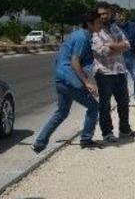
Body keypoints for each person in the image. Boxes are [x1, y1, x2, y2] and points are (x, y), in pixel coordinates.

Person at [33, 11, 103, 153]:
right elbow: (75, 62)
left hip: (61, 77)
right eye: (98, 22)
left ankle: (40, 143)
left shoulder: (80, 35)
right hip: (69, 79)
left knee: (62, 112)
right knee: (94, 107)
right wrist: (87, 82)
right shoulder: (82, 37)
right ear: (89, 24)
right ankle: (86, 139)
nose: (101, 25)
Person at [91, 3, 135, 143]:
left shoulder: (115, 27)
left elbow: (127, 45)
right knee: (105, 105)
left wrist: (112, 45)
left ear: (110, 14)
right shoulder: (95, 31)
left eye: (106, 13)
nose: (104, 16)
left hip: (120, 70)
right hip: (104, 73)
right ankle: (107, 132)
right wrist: (118, 46)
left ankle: (124, 129)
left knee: (124, 103)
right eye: (101, 14)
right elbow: (103, 52)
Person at [115, 9, 135, 106]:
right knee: (123, 80)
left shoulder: (131, 25)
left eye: (122, 15)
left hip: (132, 56)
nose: (121, 17)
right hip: (120, 57)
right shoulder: (114, 27)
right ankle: (125, 100)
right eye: (119, 16)